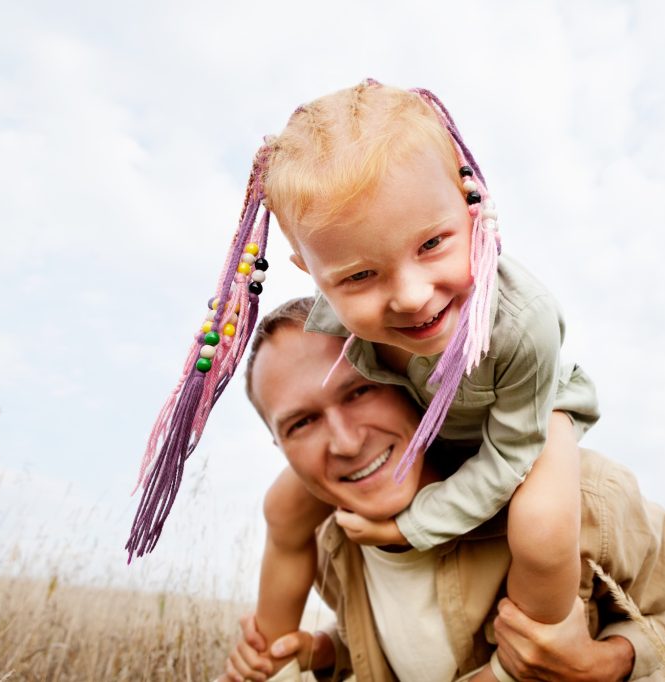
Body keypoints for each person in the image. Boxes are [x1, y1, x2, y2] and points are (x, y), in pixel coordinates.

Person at [128, 79, 602, 680]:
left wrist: (411, 524)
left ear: (469, 198)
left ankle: (529, 658)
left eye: (433, 243)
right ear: (309, 271)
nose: (410, 297)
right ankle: (271, 662)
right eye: (357, 276)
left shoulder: (521, 322)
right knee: (284, 503)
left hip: (529, 419)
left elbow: (511, 453)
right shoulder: (333, 321)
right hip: (430, 424)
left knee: (539, 521)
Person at [222, 298, 665, 681]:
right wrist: (325, 650)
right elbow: (406, 644)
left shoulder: (584, 495)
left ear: (409, 381)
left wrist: (606, 663)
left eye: (360, 390)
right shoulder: (330, 545)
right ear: (278, 444)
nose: (346, 442)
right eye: (302, 422)